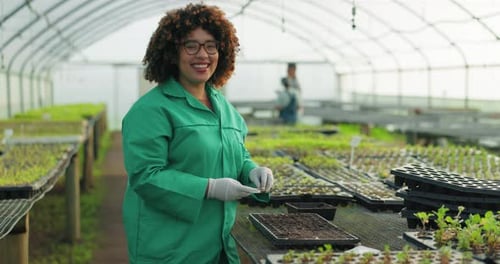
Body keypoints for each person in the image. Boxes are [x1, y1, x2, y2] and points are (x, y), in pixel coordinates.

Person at [121, 3, 274, 264]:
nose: (202, 54)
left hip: (220, 244)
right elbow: (146, 176)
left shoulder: (224, 107)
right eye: (191, 45)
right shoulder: (152, 110)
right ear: (172, 52)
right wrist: (210, 188)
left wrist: (251, 169)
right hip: (172, 248)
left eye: (211, 45)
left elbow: (236, 153)